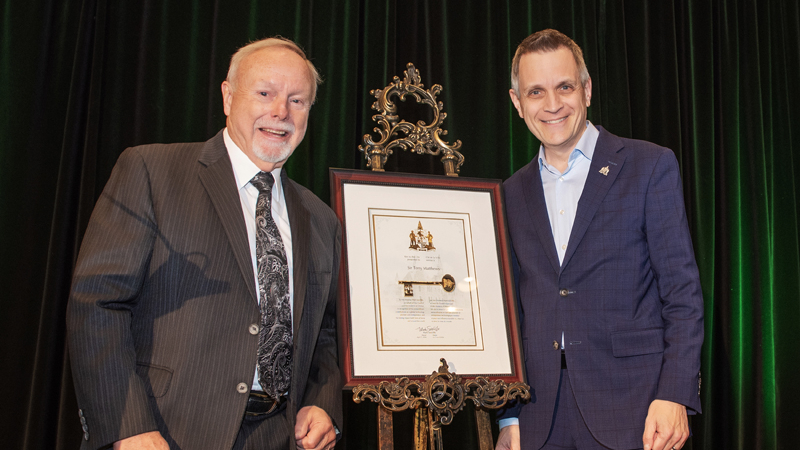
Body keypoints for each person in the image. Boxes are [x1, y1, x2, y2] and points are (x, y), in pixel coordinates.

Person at [67, 37, 341, 450]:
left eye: (297, 100)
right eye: (265, 93)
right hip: (164, 433)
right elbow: (96, 304)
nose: (280, 112)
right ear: (229, 97)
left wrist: (323, 404)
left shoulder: (321, 218)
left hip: (279, 437)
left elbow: (326, 330)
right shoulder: (151, 172)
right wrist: (128, 427)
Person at [497, 29, 703, 450]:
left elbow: (682, 294)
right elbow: (508, 315)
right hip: (537, 419)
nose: (552, 105)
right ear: (518, 103)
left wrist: (675, 392)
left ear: (587, 90)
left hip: (638, 410)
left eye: (565, 87)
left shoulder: (650, 166)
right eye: (536, 92)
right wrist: (507, 416)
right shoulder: (508, 194)